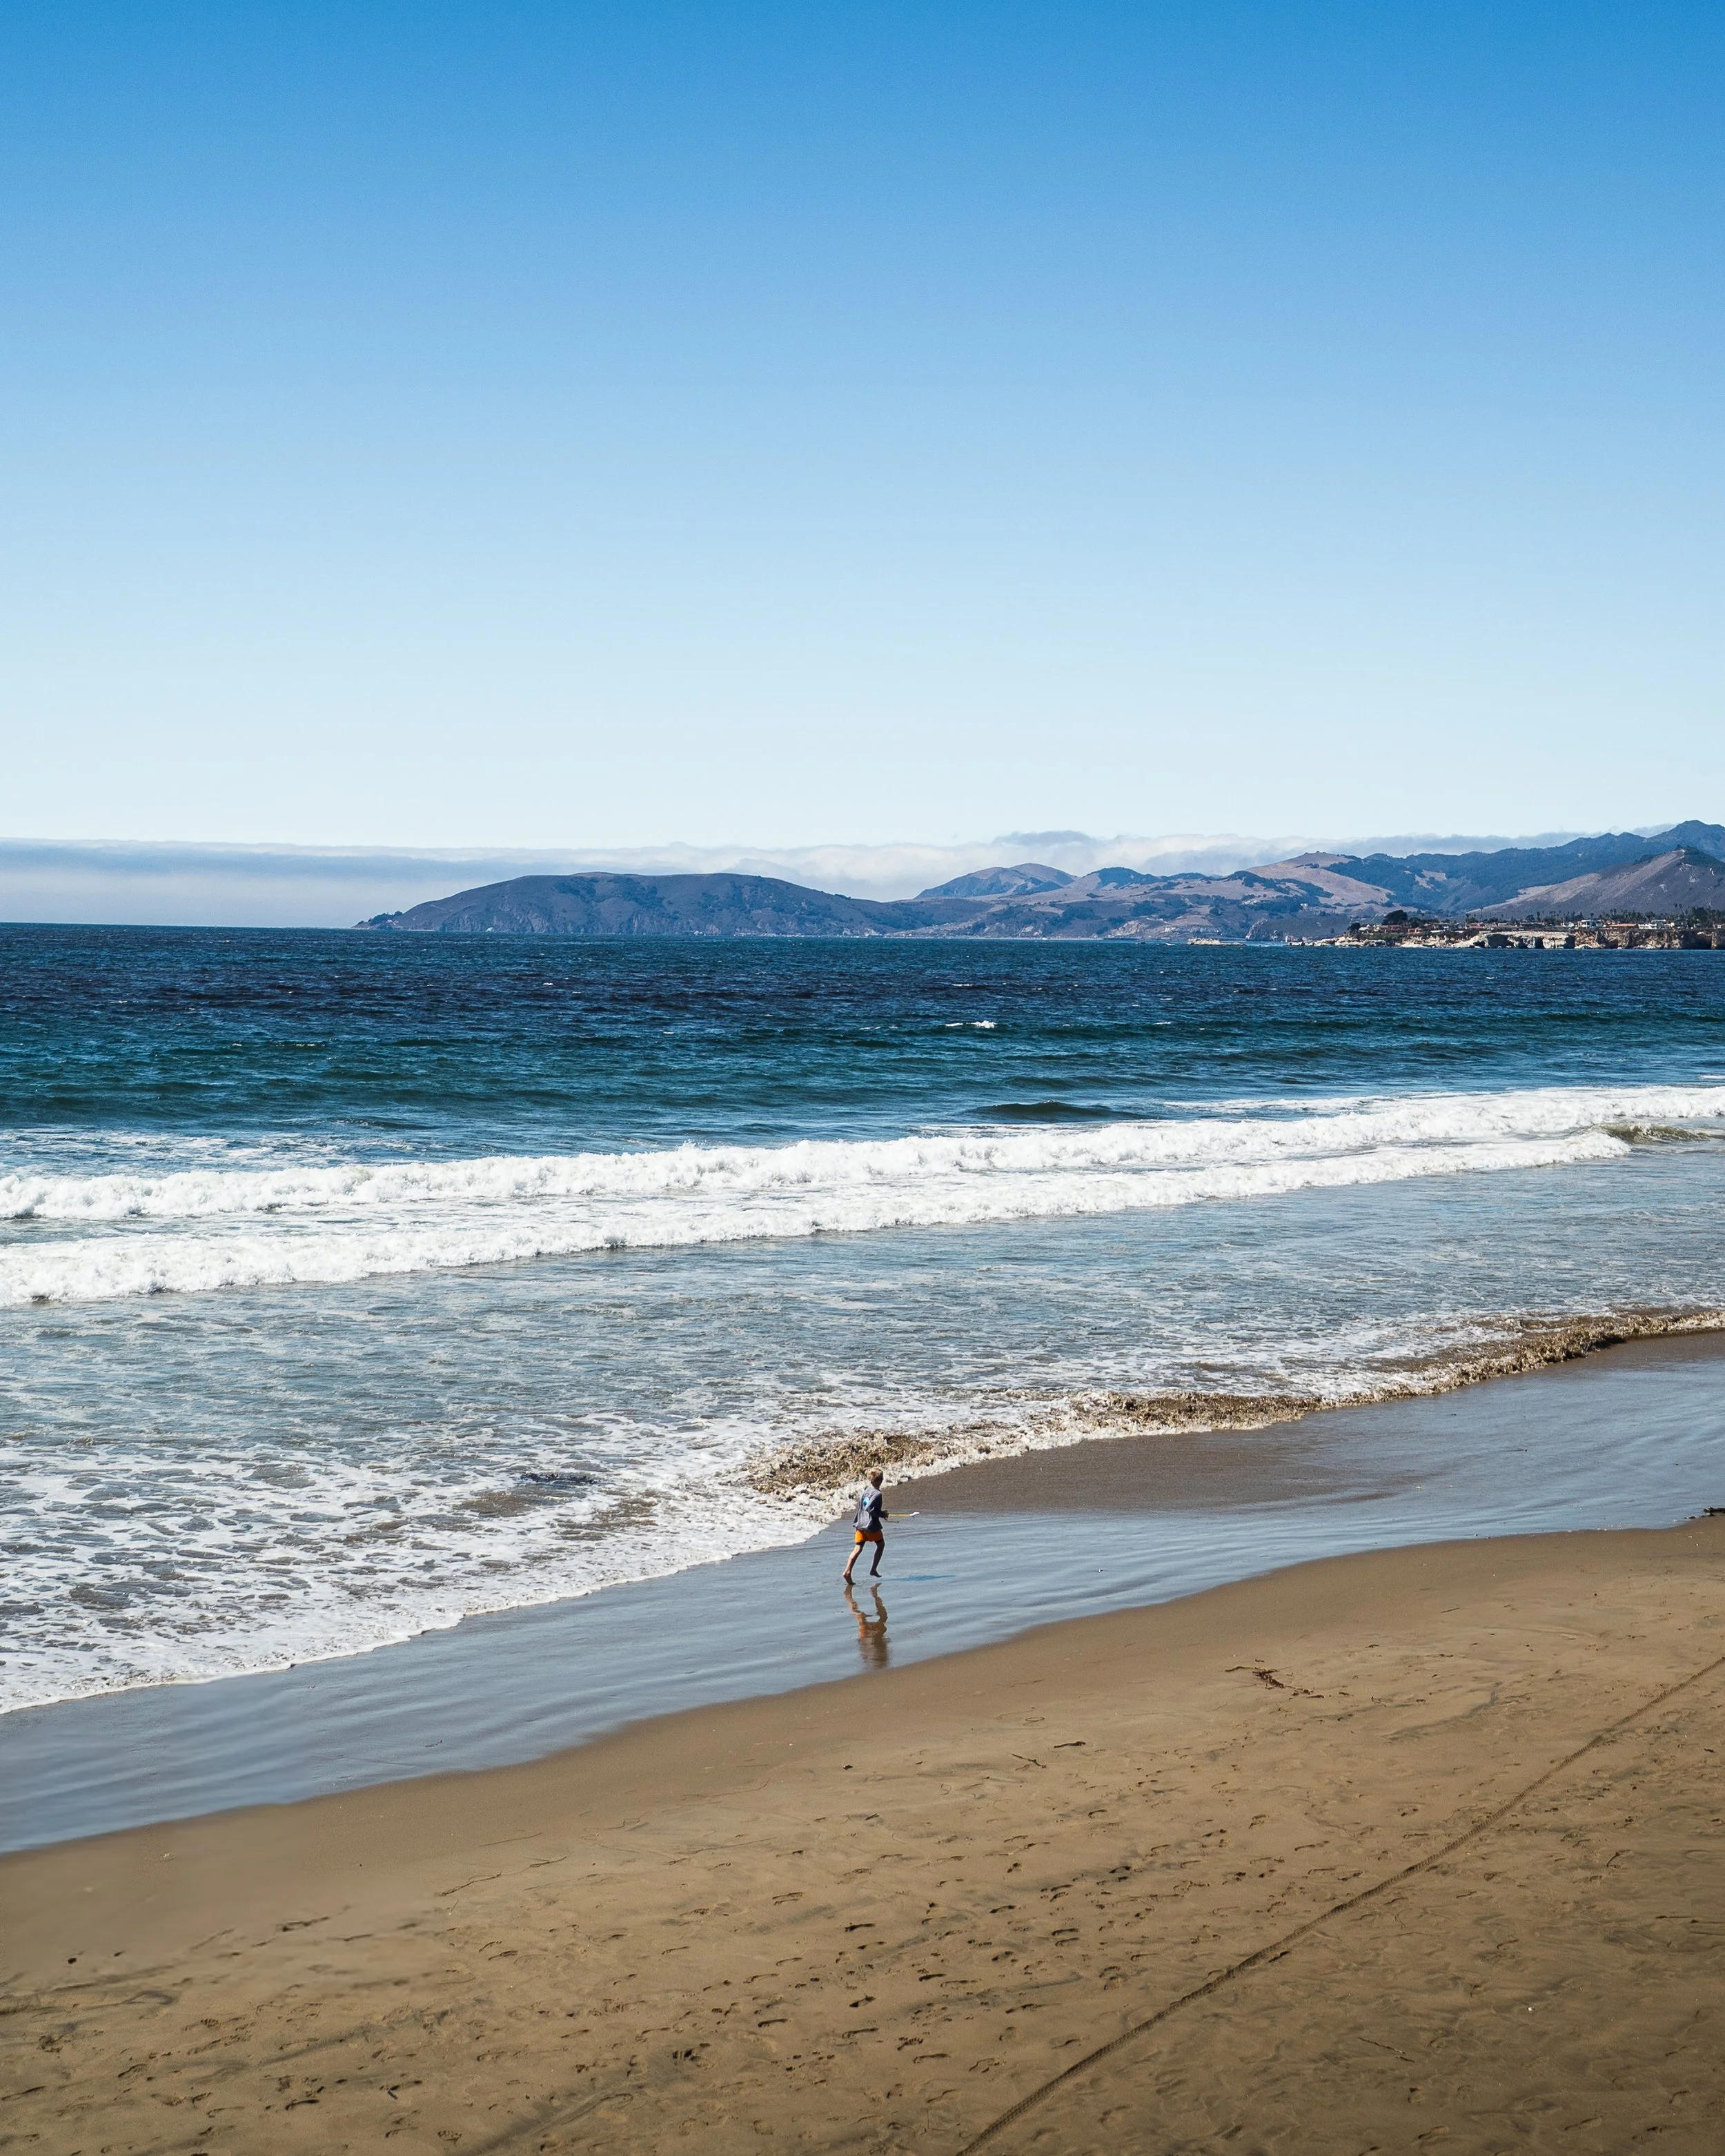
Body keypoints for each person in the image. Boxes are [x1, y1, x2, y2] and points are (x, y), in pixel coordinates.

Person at [842, 1467, 887, 1583]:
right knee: (881, 1545)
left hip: (860, 1524)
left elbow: (863, 1506)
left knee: (857, 1549)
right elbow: (869, 1508)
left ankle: (847, 1571)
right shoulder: (878, 1494)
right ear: (880, 1480)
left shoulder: (866, 1491)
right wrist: (881, 1514)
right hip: (871, 1526)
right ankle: (873, 1569)